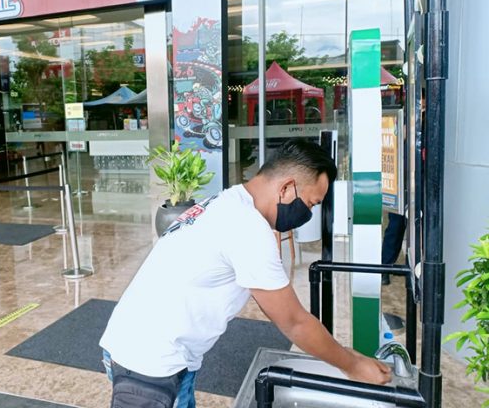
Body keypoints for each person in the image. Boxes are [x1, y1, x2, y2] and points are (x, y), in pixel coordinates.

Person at [100, 138, 391, 407]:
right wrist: (353, 366)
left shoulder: (228, 201)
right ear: (287, 188)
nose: (308, 214)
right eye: (311, 203)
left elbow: (278, 306)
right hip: (148, 365)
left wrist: (345, 354)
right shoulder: (247, 227)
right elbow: (294, 322)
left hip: (151, 350)